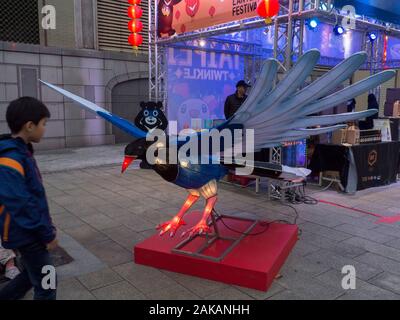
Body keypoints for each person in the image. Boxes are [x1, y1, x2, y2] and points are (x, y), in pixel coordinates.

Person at [0, 97, 57, 300]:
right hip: (27, 232)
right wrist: (46, 234)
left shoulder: (22, 152)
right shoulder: (11, 157)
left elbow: (33, 196)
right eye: (43, 124)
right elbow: (21, 204)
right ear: (30, 126)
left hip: (29, 229)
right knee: (47, 282)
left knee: (31, 274)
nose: (44, 128)